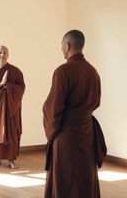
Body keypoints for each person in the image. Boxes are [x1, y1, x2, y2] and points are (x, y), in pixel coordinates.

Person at [43, 30, 106, 198]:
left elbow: (53, 108)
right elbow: (96, 102)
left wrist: (51, 132)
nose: (61, 49)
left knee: (66, 177)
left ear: (68, 45)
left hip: (66, 134)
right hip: (87, 132)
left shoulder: (63, 71)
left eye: (62, 46)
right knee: (85, 175)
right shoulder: (93, 72)